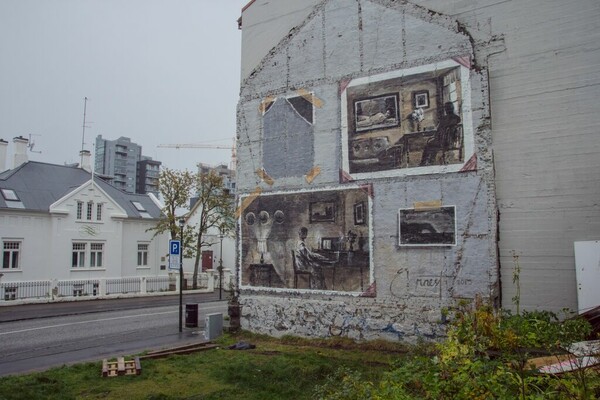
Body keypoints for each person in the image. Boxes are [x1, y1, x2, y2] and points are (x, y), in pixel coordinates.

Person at [420, 102, 461, 166]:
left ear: (446, 109)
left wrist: (436, 136)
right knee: (433, 144)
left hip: (445, 141)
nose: (446, 109)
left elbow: (439, 130)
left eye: (446, 108)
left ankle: (424, 163)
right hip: (452, 141)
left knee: (428, 145)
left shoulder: (444, 119)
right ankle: (430, 161)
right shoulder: (457, 118)